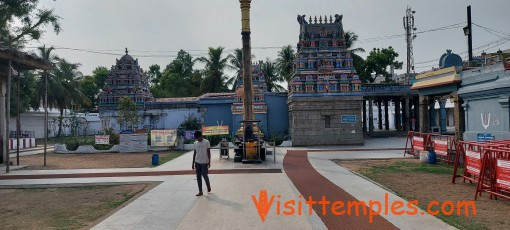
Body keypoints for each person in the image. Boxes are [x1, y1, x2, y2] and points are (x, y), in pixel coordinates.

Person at [192, 131, 211, 196]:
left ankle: (208, 185)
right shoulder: (195, 143)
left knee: (205, 175)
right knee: (198, 177)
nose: (197, 139)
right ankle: (200, 191)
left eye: (198, 137)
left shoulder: (206, 142)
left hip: (204, 162)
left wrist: (209, 162)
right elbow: (194, 153)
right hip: (197, 162)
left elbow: (208, 152)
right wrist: (193, 163)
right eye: (196, 138)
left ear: (201, 136)